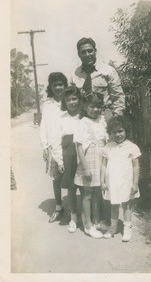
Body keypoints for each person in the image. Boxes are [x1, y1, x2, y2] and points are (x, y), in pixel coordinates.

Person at [101, 116, 141, 241]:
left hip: (126, 182)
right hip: (112, 182)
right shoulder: (108, 147)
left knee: (127, 205)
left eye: (120, 131)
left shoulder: (132, 147)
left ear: (126, 130)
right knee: (113, 205)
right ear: (110, 133)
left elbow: (135, 166)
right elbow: (103, 164)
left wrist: (135, 183)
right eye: (114, 132)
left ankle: (127, 228)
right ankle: (113, 227)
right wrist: (102, 181)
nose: (118, 134)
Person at [73, 92, 108, 239]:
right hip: (88, 160)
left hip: (101, 159)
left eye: (98, 107)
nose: (95, 110)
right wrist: (86, 167)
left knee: (97, 192)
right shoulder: (82, 122)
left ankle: (97, 221)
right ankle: (87, 225)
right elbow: (79, 147)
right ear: (85, 107)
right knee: (87, 194)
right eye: (92, 106)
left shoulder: (102, 120)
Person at [51, 86, 84, 233]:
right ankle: (74, 218)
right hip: (68, 156)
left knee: (85, 187)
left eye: (74, 99)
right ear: (64, 101)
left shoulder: (85, 116)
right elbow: (56, 142)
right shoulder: (61, 119)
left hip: (84, 155)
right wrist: (60, 161)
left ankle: (87, 216)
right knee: (71, 187)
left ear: (79, 99)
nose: (72, 102)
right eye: (68, 99)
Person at [71, 37, 125, 118]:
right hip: (82, 119)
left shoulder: (108, 71)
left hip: (104, 116)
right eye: (83, 52)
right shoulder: (74, 75)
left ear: (95, 51)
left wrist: (116, 119)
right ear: (79, 54)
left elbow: (118, 97)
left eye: (90, 51)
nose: (87, 55)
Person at [40, 72, 68, 223]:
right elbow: (44, 125)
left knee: (72, 177)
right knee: (56, 178)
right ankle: (59, 207)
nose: (58, 87)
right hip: (54, 145)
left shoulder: (69, 100)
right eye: (55, 85)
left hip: (69, 144)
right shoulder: (48, 104)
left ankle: (73, 210)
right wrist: (44, 146)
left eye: (60, 84)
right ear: (50, 87)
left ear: (65, 85)